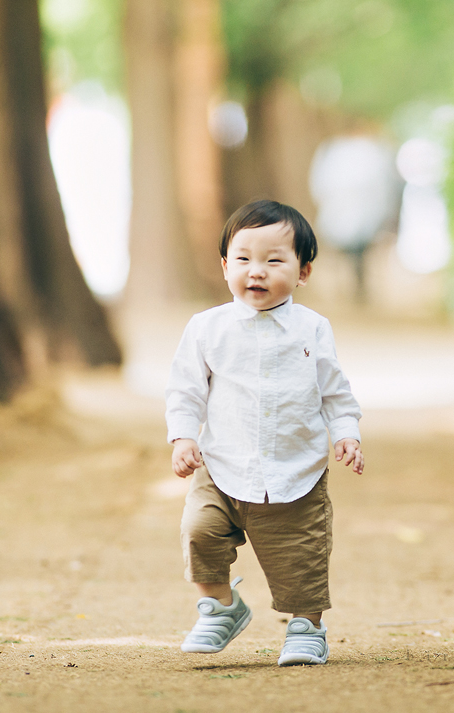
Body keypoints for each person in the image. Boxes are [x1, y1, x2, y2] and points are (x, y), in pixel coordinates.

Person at [165, 200, 364, 666]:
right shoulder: (206, 328)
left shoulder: (313, 328)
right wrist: (183, 436)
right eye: (243, 259)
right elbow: (186, 389)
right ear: (224, 266)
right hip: (221, 465)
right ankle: (220, 608)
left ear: (304, 271)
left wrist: (346, 432)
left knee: (302, 556)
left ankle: (306, 627)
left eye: (274, 260)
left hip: (295, 470)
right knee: (200, 533)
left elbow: (335, 391)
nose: (257, 271)